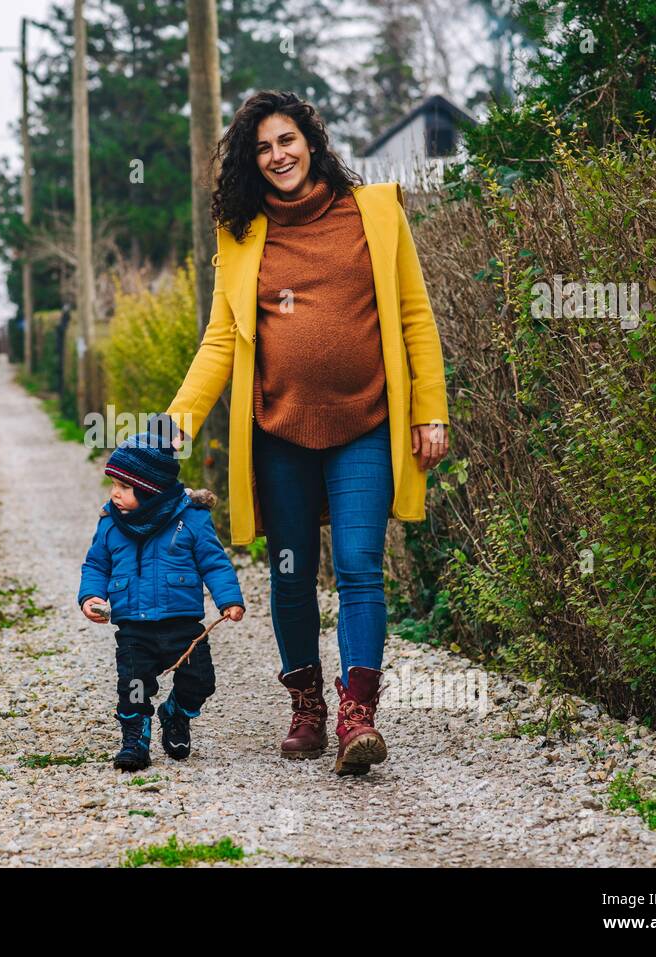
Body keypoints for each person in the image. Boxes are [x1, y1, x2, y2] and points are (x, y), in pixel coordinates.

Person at [164, 91, 451, 777]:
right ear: (251, 162)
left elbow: (415, 315)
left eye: (287, 140)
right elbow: (219, 339)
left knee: (358, 562)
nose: (277, 155)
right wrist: (175, 421)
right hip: (278, 429)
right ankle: (307, 704)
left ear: (312, 142)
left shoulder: (375, 213)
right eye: (262, 148)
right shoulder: (242, 235)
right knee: (291, 573)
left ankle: (359, 712)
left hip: (367, 421)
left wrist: (430, 410)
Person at [78, 424, 245, 771]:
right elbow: (96, 563)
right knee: (135, 685)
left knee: (199, 680)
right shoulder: (111, 524)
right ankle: (135, 740)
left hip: (183, 625)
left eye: (124, 487)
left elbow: (214, 563)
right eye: (113, 485)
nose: (114, 494)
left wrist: (229, 599)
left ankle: (176, 713)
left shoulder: (191, 520)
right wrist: (91, 597)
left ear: (152, 490)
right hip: (134, 626)